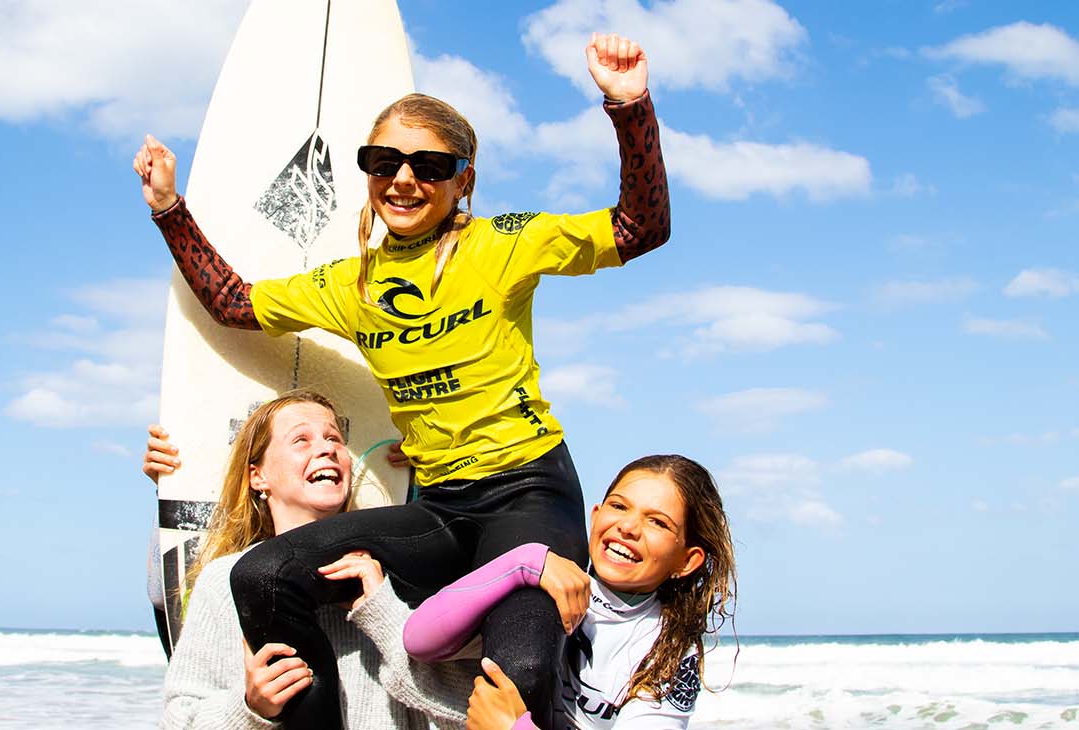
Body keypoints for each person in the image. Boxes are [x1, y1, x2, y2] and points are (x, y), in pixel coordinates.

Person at [134, 32, 671, 729]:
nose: (404, 178)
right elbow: (234, 302)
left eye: (430, 164)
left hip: (527, 495)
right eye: (383, 160)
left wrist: (628, 108)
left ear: (463, 179)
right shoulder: (351, 285)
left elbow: (639, 227)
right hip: (440, 508)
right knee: (261, 575)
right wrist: (169, 208)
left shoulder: (502, 243)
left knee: (521, 672)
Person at [146, 391, 472, 729]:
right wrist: (250, 708)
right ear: (258, 476)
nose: (327, 448)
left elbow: (469, 714)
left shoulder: (389, 577)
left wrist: (383, 615)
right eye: (301, 440)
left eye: (334, 438)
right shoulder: (222, 581)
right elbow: (178, 722)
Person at [403, 455, 737, 729]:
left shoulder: (670, 650)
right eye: (619, 507)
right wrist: (524, 563)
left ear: (687, 560)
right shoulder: (545, 578)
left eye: (657, 523)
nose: (628, 527)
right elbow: (419, 641)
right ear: (596, 516)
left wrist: (511, 728)